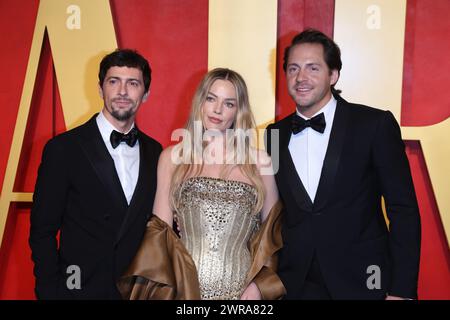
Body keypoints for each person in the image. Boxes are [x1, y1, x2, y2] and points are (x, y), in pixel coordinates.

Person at [265, 29, 421, 300]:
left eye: (313, 68)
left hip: (366, 281)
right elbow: (277, 210)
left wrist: (401, 290)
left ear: (333, 75)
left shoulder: (374, 125)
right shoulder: (274, 135)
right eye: (293, 69)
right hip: (297, 284)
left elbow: (403, 210)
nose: (301, 78)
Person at [117, 68, 285, 300]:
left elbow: (273, 237)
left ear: (239, 110)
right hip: (185, 291)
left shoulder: (259, 162)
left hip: (244, 296)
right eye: (211, 99)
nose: (217, 110)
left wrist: (259, 286)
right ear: (200, 101)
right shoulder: (172, 158)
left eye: (229, 103)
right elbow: (159, 237)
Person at [29, 49, 162, 299]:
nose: (122, 91)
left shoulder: (155, 152)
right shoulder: (64, 149)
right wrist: (50, 292)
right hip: (80, 290)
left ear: (146, 94)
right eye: (114, 81)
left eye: (133, 83)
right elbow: (42, 231)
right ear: (101, 89)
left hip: (136, 293)